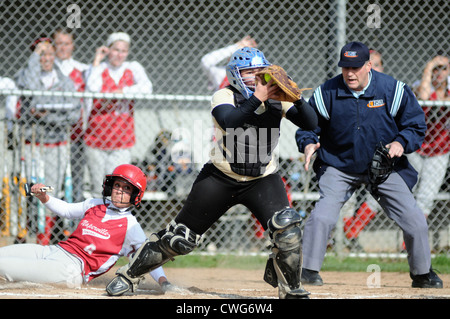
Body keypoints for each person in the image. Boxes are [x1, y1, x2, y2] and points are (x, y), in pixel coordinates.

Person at [105, 47, 318, 299]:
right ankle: (129, 276)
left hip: (262, 178)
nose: (256, 77)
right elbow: (231, 121)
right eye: (249, 72)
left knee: (287, 229)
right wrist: (258, 97)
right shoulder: (224, 95)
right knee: (180, 239)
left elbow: (311, 123)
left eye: (260, 72)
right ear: (236, 75)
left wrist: (296, 98)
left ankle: (291, 288)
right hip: (221, 177)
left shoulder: (275, 98)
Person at [295, 41, 443, 288]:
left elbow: (415, 124)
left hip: (384, 165)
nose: (350, 73)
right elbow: (308, 126)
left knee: (414, 218)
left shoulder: (392, 89)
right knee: (322, 216)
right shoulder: (327, 92)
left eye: (355, 67)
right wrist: (309, 143)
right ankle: (308, 270)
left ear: (369, 66)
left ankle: (422, 273)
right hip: (339, 165)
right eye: (345, 68)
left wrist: (401, 142)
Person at [0, 164, 171, 292]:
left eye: (127, 188)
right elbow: (67, 210)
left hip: (71, 269)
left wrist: (164, 282)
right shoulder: (94, 204)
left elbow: (148, 257)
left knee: (3, 266)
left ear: (135, 195)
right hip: (52, 251)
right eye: (117, 185)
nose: (119, 191)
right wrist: (44, 197)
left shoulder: (131, 225)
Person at [14, 37, 82, 244]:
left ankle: (45, 238)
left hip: (57, 143)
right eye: (40, 54)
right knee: (29, 190)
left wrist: (47, 115)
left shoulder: (64, 80)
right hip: (32, 142)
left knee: (48, 189)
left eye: (49, 53)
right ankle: (24, 235)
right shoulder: (25, 75)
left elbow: (73, 114)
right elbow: (31, 100)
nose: (46, 58)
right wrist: (47, 111)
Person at [84, 32, 153, 197]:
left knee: (118, 187)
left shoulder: (132, 68)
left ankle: (112, 221)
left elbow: (147, 88)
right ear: (107, 50)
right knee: (97, 187)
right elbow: (92, 87)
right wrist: (96, 60)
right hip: (97, 136)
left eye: (123, 51)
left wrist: (122, 91)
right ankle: (97, 220)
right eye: (115, 50)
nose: (119, 54)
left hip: (122, 138)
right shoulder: (98, 68)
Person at [408, 54, 449, 219]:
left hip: (440, 148)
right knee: (407, 189)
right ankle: (350, 233)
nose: (439, 73)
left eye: (443, 68)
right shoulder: (421, 85)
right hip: (416, 148)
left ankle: (410, 242)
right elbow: (424, 96)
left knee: (426, 197)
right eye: (435, 68)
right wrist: (429, 65)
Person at [52, 28, 89, 204]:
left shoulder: (83, 70)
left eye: (66, 43)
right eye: (59, 43)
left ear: (72, 46)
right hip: (51, 136)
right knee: (52, 180)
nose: (63, 47)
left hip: (75, 135)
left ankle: (73, 224)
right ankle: (48, 223)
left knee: (76, 179)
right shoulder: (48, 69)